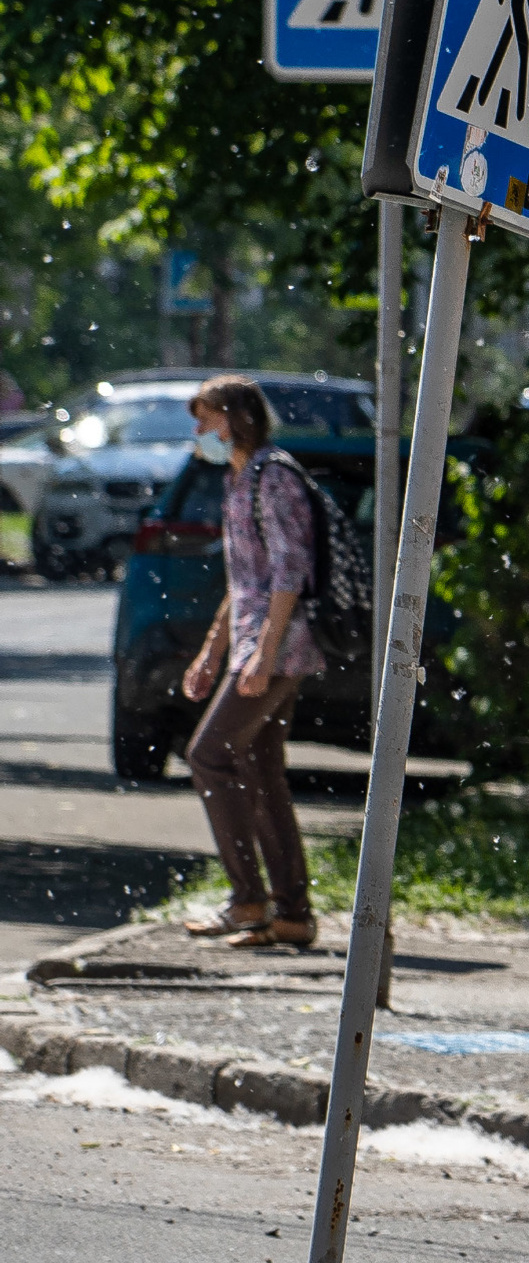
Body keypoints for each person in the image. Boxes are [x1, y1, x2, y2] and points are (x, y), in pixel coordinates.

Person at [177, 376, 325, 949]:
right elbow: (243, 580)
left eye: (206, 418)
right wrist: (212, 652)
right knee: (261, 771)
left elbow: (290, 570)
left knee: (209, 755)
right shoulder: (239, 480)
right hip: (252, 643)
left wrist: (263, 652)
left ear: (236, 418)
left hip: (280, 646)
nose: (200, 432)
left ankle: (247, 900)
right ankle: (291, 915)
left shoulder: (274, 476)